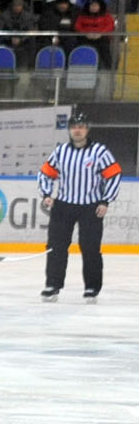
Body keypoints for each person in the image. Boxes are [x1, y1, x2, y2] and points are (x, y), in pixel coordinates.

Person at [38, 111, 122, 302]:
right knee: (56, 247)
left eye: (81, 127)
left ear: (87, 130)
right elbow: (45, 173)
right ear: (69, 129)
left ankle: (92, 287)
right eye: (74, 127)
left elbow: (114, 175)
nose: (78, 130)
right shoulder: (61, 152)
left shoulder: (99, 152)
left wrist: (105, 200)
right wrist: (46, 194)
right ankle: (53, 285)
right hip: (63, 206)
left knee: (91, 248)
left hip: (90, 207)